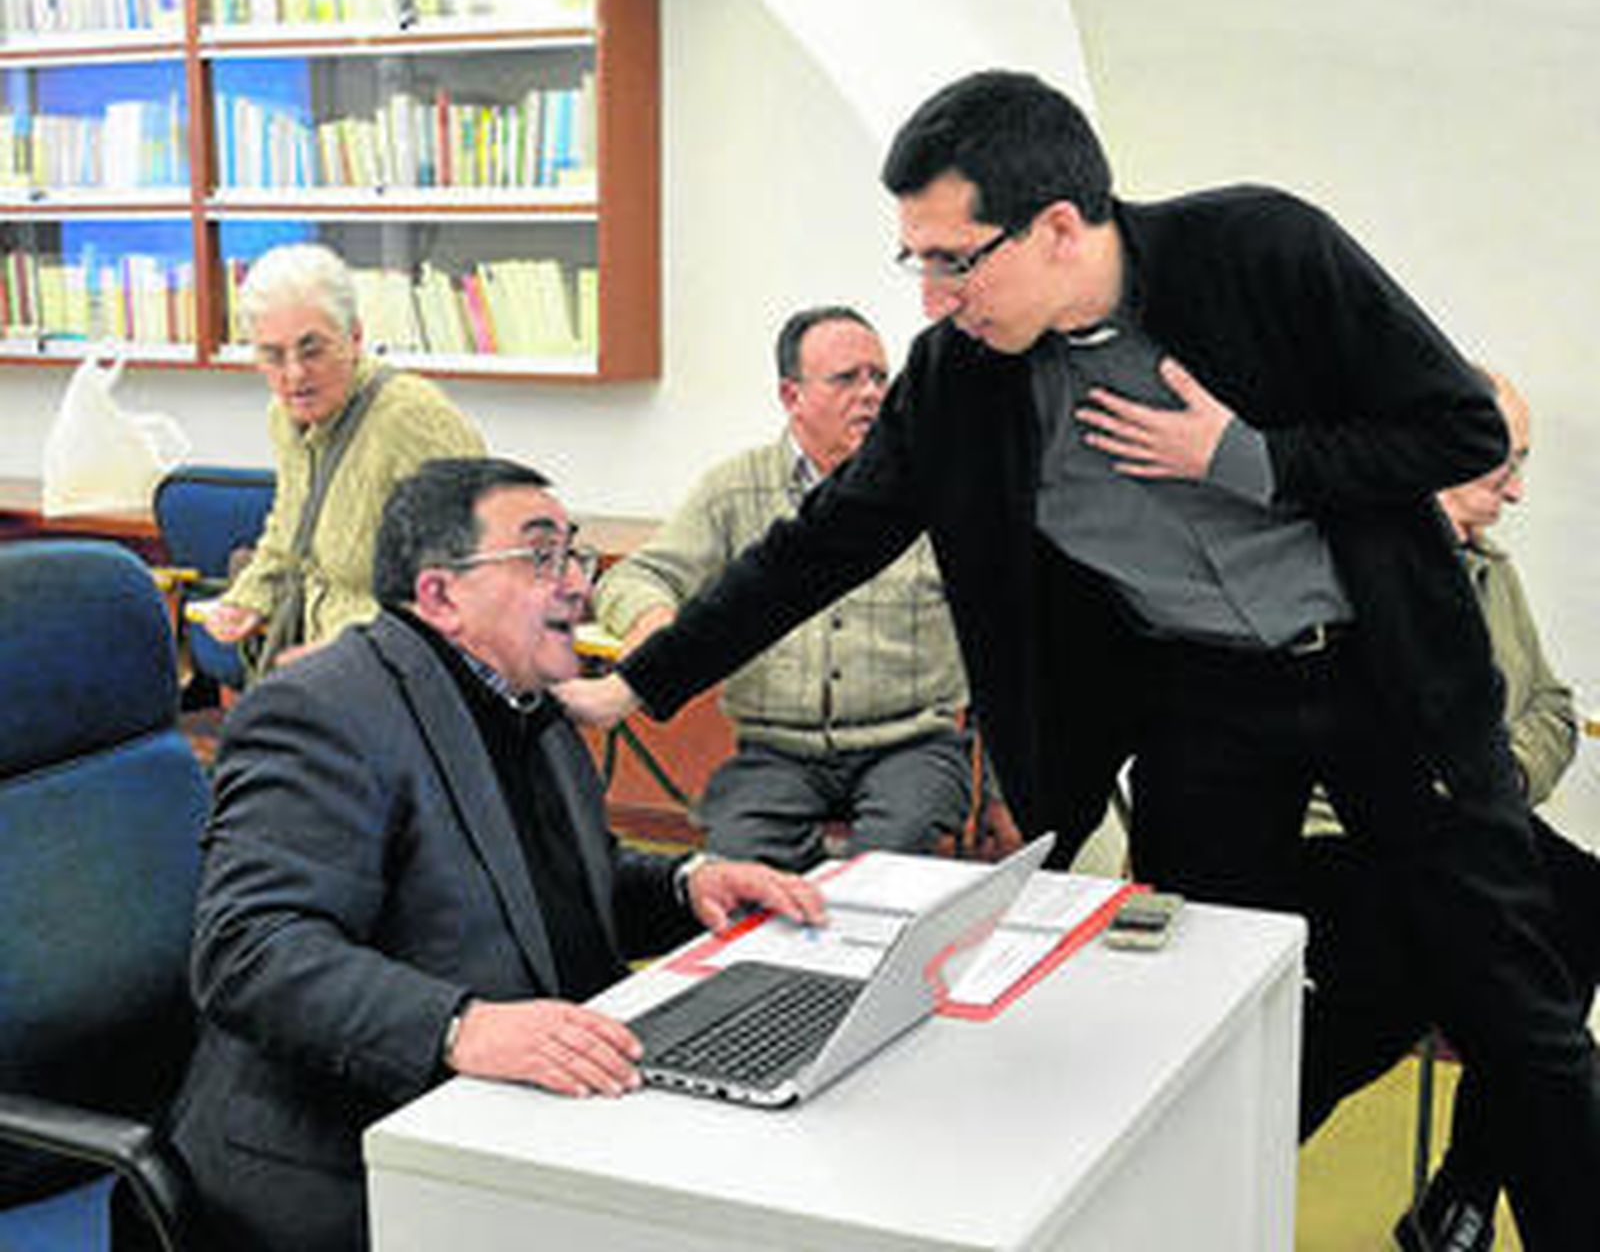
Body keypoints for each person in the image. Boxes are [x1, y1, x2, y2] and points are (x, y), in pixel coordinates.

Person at [555, 70, 1600, 1247]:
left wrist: (1249, 459)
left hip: (1388, 683)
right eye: (916, 261)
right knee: (1205, 1013)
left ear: (1058, 225)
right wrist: (638, 681)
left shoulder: (1263, 249)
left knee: (1518, 1009)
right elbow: (821, 542)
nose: (934, 298)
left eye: (956, 260)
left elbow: (1456, 427)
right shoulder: (959, 378)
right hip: (1204, 706)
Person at [163, 457, 825, 1252]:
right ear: (441, 596)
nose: (577, 585)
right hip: (350, 1162)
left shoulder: (526, 697)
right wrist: (458, 1026)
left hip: (537, 1115)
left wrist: (690, 886)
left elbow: (546, 889)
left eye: (574, 555)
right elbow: (251, 949)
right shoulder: (322, 712)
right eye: (541, 557)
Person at [1298, 371, 1600, 1252]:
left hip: (1480, 824)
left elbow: (1553, 708)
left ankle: (1464, 1189)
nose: (1518, 489)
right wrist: (1473, 779)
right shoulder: (1347, 567)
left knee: (1581, 912)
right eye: (1503, 462)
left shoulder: (1490, 570)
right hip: (1347, 836)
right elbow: (1384, 757)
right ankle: (1457, 1208)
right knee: (1469, 983)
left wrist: (1496, 775)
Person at [591, 306, 974, 870]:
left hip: (911, 745)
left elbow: (1002, 637)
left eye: (879, 377)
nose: (871, 394)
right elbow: (633, 576)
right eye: (847, 379)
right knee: (737, 867)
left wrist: (1000, 796)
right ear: (791, 396)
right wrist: (650, 620)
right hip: (776, 752)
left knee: (887, 868)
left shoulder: (934, 493)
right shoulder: (732, 489)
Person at [203, 243, 486, 680]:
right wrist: (250, 598)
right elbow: (291, 531)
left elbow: (472, 577)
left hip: (401, 678)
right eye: (273, 355)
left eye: (312, 350)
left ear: (354, 337)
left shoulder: (411, 418)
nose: (294, 374)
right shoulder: (285, 416)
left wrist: (358, 650)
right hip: (326, 669)